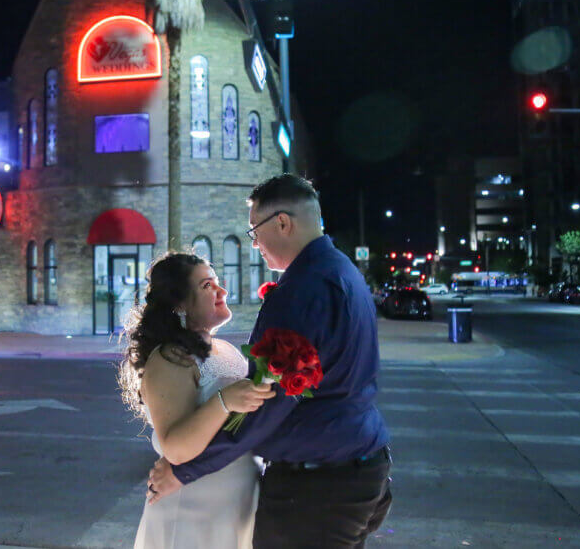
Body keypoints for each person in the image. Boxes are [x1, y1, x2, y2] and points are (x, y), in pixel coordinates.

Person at [147, 174, 393, 548]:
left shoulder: (303, 291)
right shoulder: (343, 272)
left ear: (282, 222)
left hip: (317, 491)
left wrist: (187, 470)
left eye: (254, 231)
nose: (255, 243)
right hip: (356, 470)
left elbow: (270, 400)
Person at [120, 252, 274, 549]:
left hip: (235, 506)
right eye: (207, 286)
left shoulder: (227, 350)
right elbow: (175, 448)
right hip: (192, 512)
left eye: (217, 283)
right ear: (179, 303)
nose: (222, 292)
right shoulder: (170, 357)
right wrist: (225, 401)